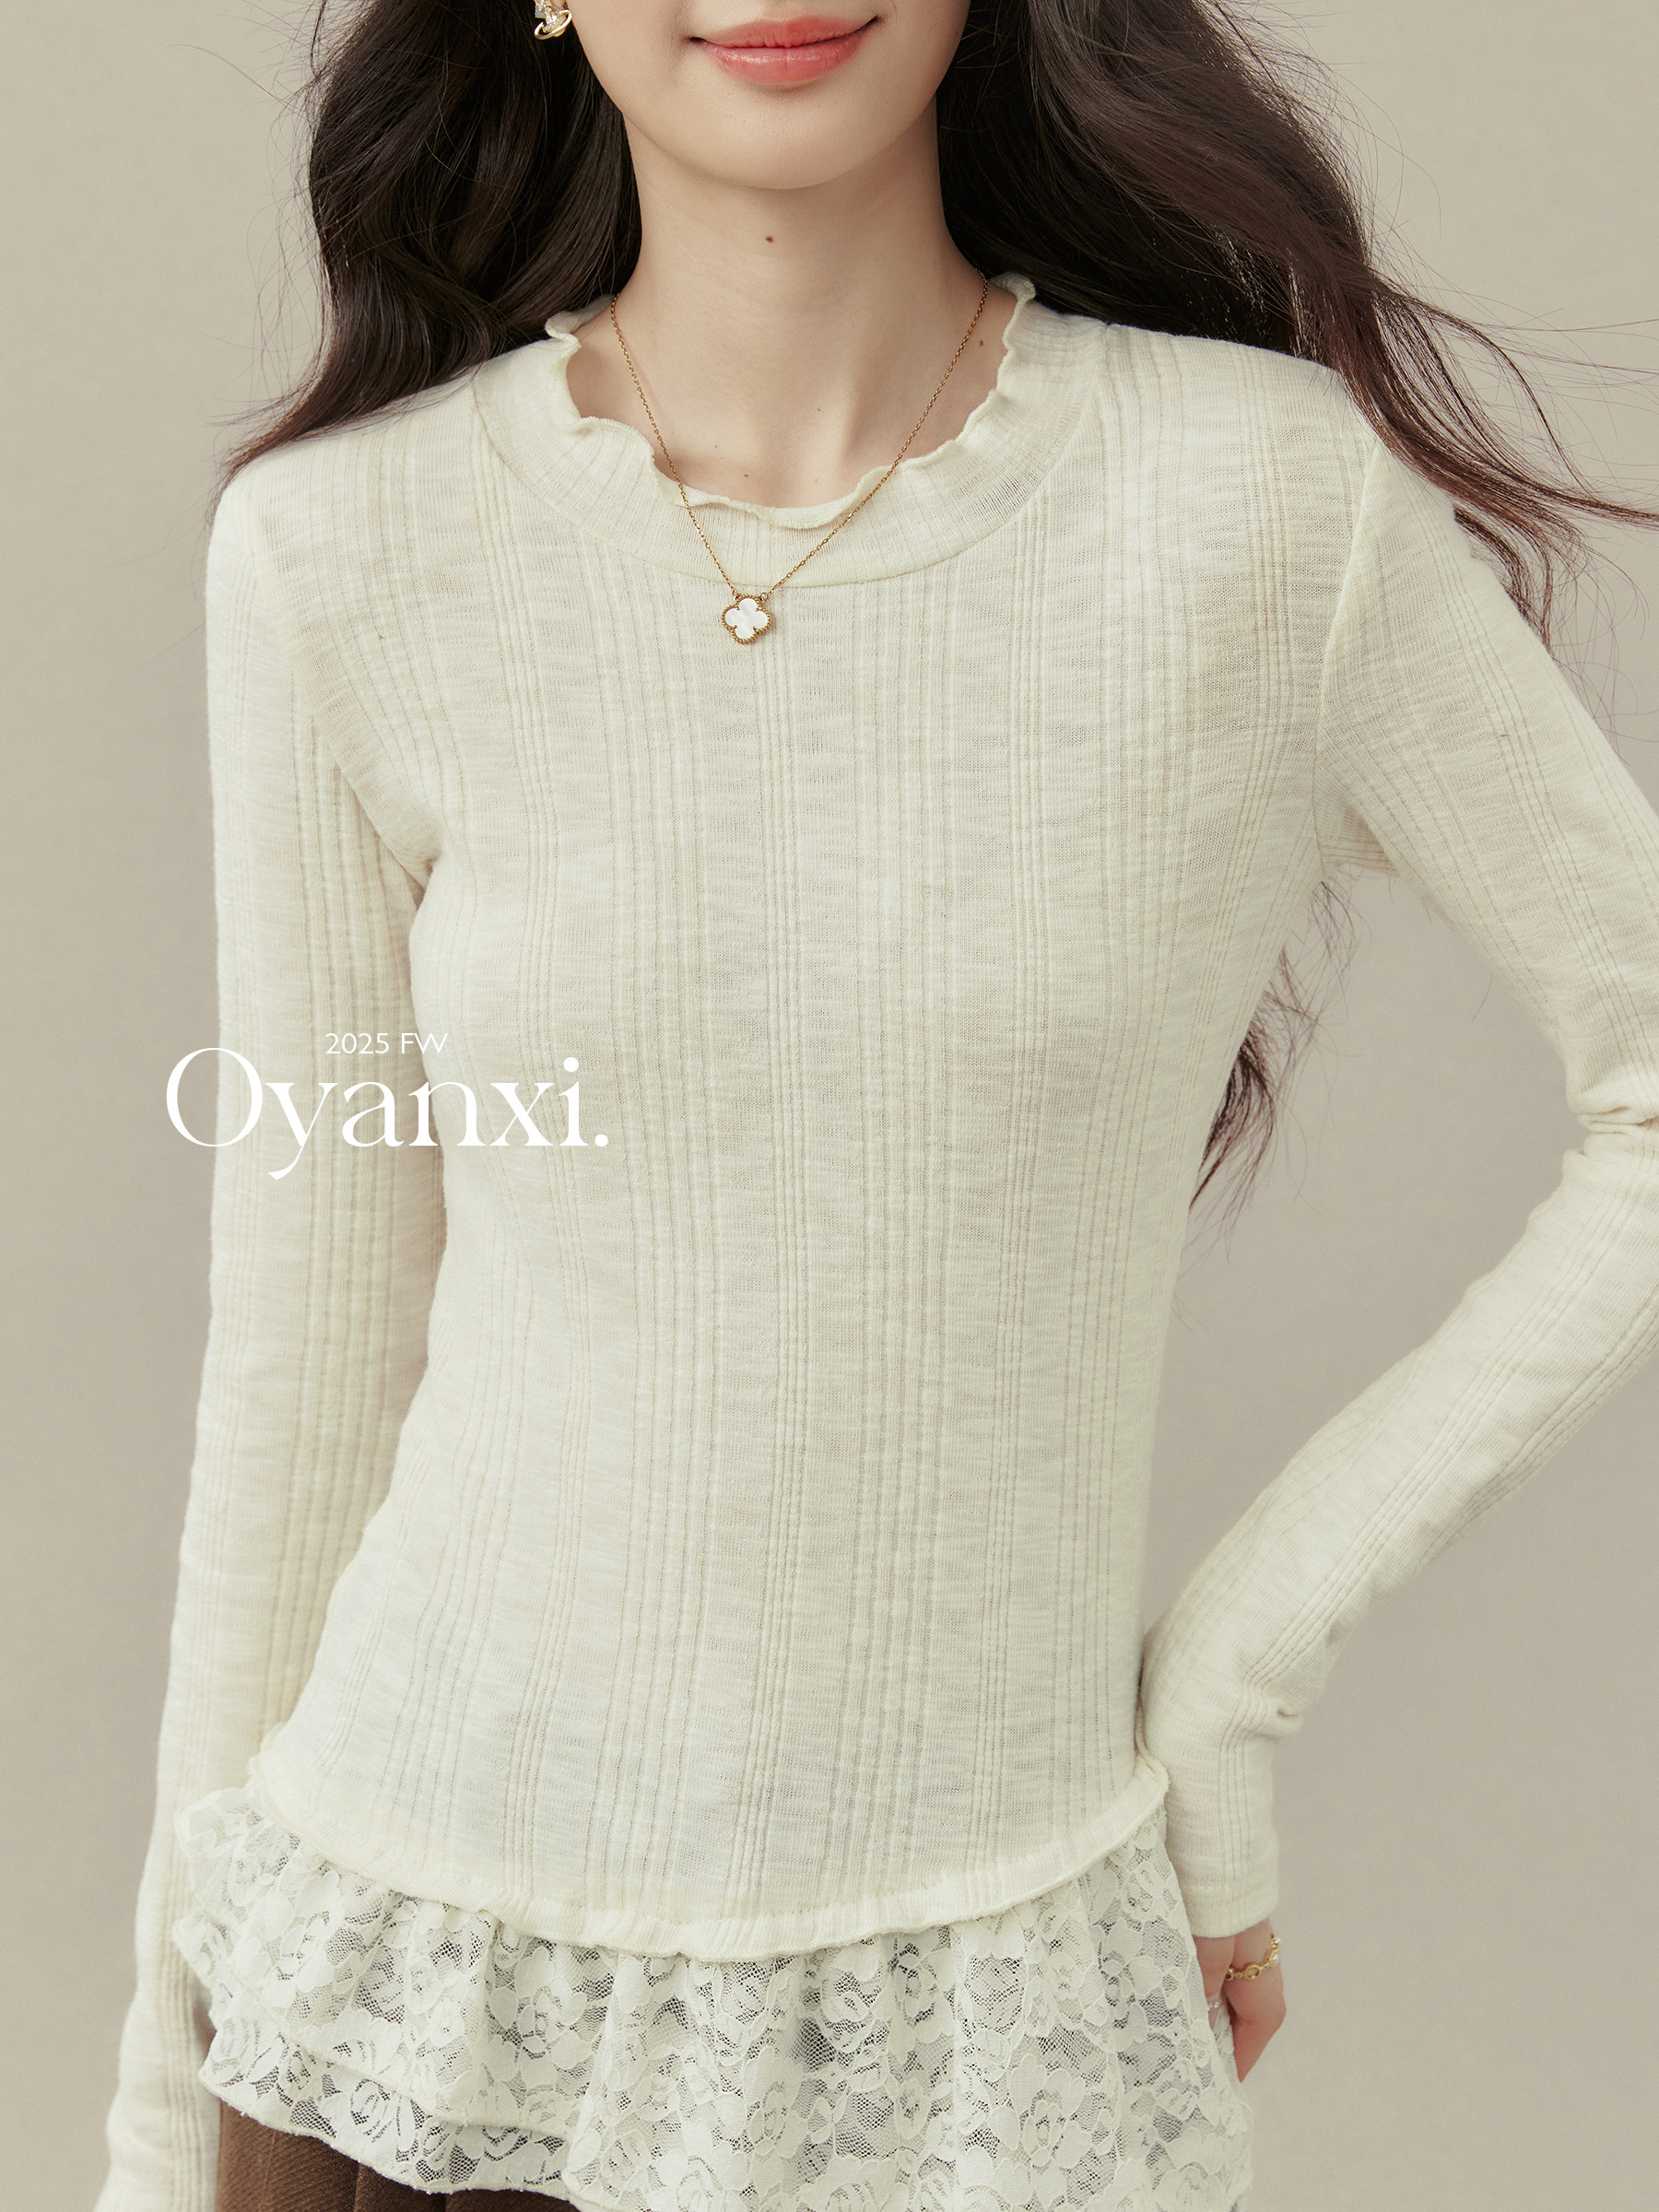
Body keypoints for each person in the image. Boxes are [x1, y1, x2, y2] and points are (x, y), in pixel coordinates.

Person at [100, 2, 1659, 2209]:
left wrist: (1237, 1671)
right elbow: (303, 1379)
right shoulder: (341, 553)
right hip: (401, 2035)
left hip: (980, 2047)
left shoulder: (1263, 509)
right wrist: (158, 2151)